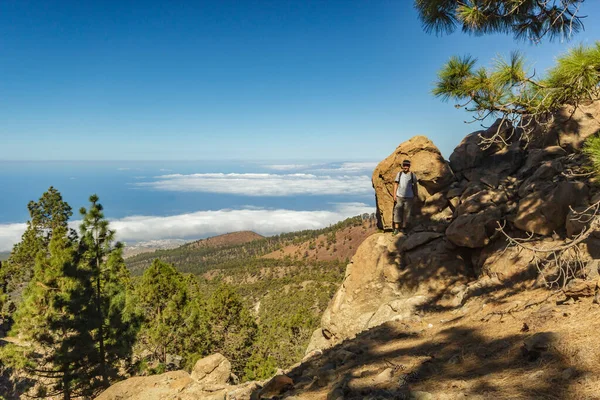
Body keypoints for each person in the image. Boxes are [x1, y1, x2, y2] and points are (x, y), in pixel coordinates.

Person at [392, 160, 418, 235]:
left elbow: (415, 186)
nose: (405, 167)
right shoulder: (399, 174)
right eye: (404, 165)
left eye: (407, 165)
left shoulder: (412, 175)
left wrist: (416, 195)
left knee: (407, 213)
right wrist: (394, 195)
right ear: (402, 166)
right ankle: (397, 228)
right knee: (397, 211)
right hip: (399, 196)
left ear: (409, 166)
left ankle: (404, 228)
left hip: (409, 197)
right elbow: (396, 184)